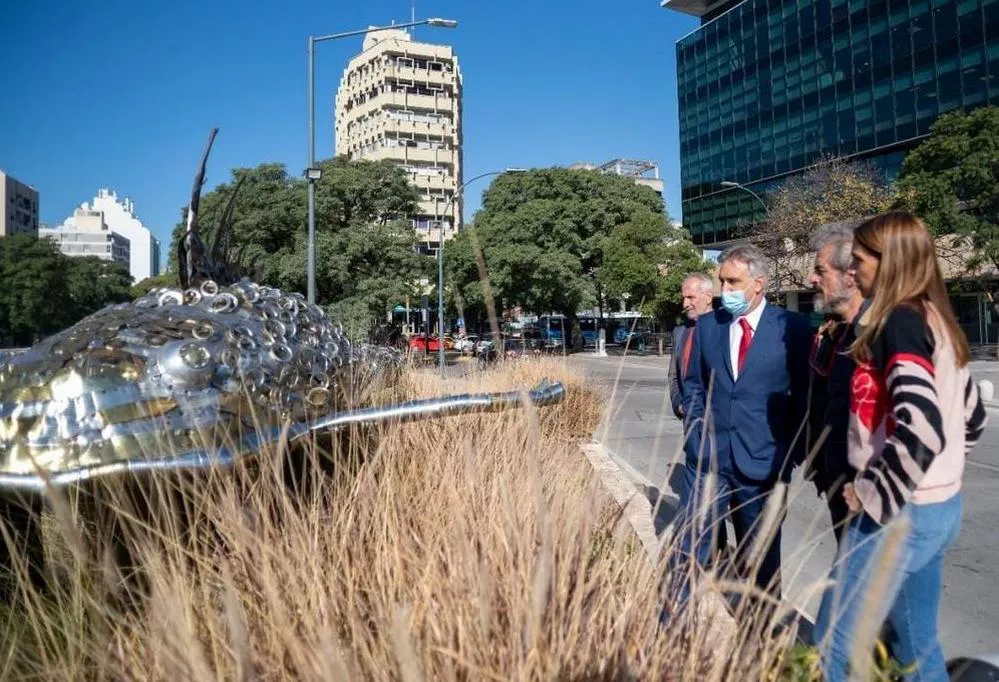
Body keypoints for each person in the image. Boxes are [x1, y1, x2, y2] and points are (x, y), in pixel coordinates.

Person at [814, 212, 987, 682]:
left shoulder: (899, 322)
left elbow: (923, 428)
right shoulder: (936, 318)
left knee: (833, 647)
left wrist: (874, 491)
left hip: (899, 517)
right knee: (916, 644)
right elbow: (972, 416)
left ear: (887, 262)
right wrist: (941, 478)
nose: (852, 270)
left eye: (861, 259)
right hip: (934, 508)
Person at [668, 243, 813, 615]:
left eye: (733, 281)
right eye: (721, 282)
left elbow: (805, 395)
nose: (725, 290)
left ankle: (760, 642)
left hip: (763, 466)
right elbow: (695, 386)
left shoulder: (792, 327)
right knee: (689, 550)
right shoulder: (707, 327)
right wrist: (697, 436)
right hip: (710, 461)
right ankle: (673, 628)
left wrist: (788, 455)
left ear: (758, 284)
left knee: (760, 562)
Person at [806, 223, 867, 544]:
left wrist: (874, 487)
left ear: (850, 276)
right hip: (834, 482)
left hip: (867, 497)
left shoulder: (879, 334)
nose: (811, 280)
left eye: (820, 271)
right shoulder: (832, 333)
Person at [668, 273, 714, 421]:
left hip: (718, 423)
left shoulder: (725, 329)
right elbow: (674, 375)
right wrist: (679, 405)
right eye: (684, 298)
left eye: (691, 297)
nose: (685, 304)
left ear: (708, 297)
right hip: (689, 421)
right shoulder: (680, 332)